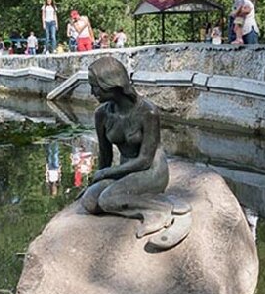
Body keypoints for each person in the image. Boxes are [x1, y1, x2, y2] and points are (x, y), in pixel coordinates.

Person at [78, 57, 191, 249]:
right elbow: (105, 157)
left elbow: (145, 160)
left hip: (151, 170)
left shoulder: (148, 112)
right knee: (90, 201)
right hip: (126, 170)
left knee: (107, 199)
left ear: (112, 85)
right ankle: (147, 202)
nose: (92, 92)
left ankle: (160, 211)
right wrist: (96, 182)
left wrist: (106, 174)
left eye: (95, 86)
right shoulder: (102, 114)